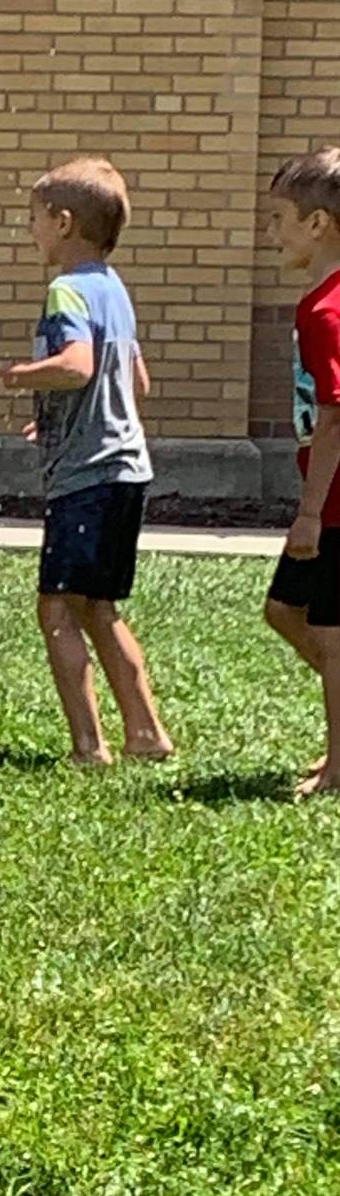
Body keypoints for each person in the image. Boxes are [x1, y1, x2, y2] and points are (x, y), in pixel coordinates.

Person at [0, 156, 172, 766]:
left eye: (34, 219)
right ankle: (146, 731)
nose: (30, 231)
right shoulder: (114, 288)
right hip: (126, 468)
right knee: (99, 608)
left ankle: (90, 744)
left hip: (87, 476)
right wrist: (58, 415)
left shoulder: (65, 289)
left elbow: (78, 367)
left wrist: (6, 375)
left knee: (57, 608)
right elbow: (133, 381)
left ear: (62, 223)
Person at [262, 146, 340, 796]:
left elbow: (337, 417)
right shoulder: (318, 301)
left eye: (281, 217)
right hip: (328, 495)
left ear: (318, 225)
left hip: (337, 501)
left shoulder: (326, 311)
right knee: (285, 610)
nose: (273, 232)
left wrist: (310, 511)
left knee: (327, 628)